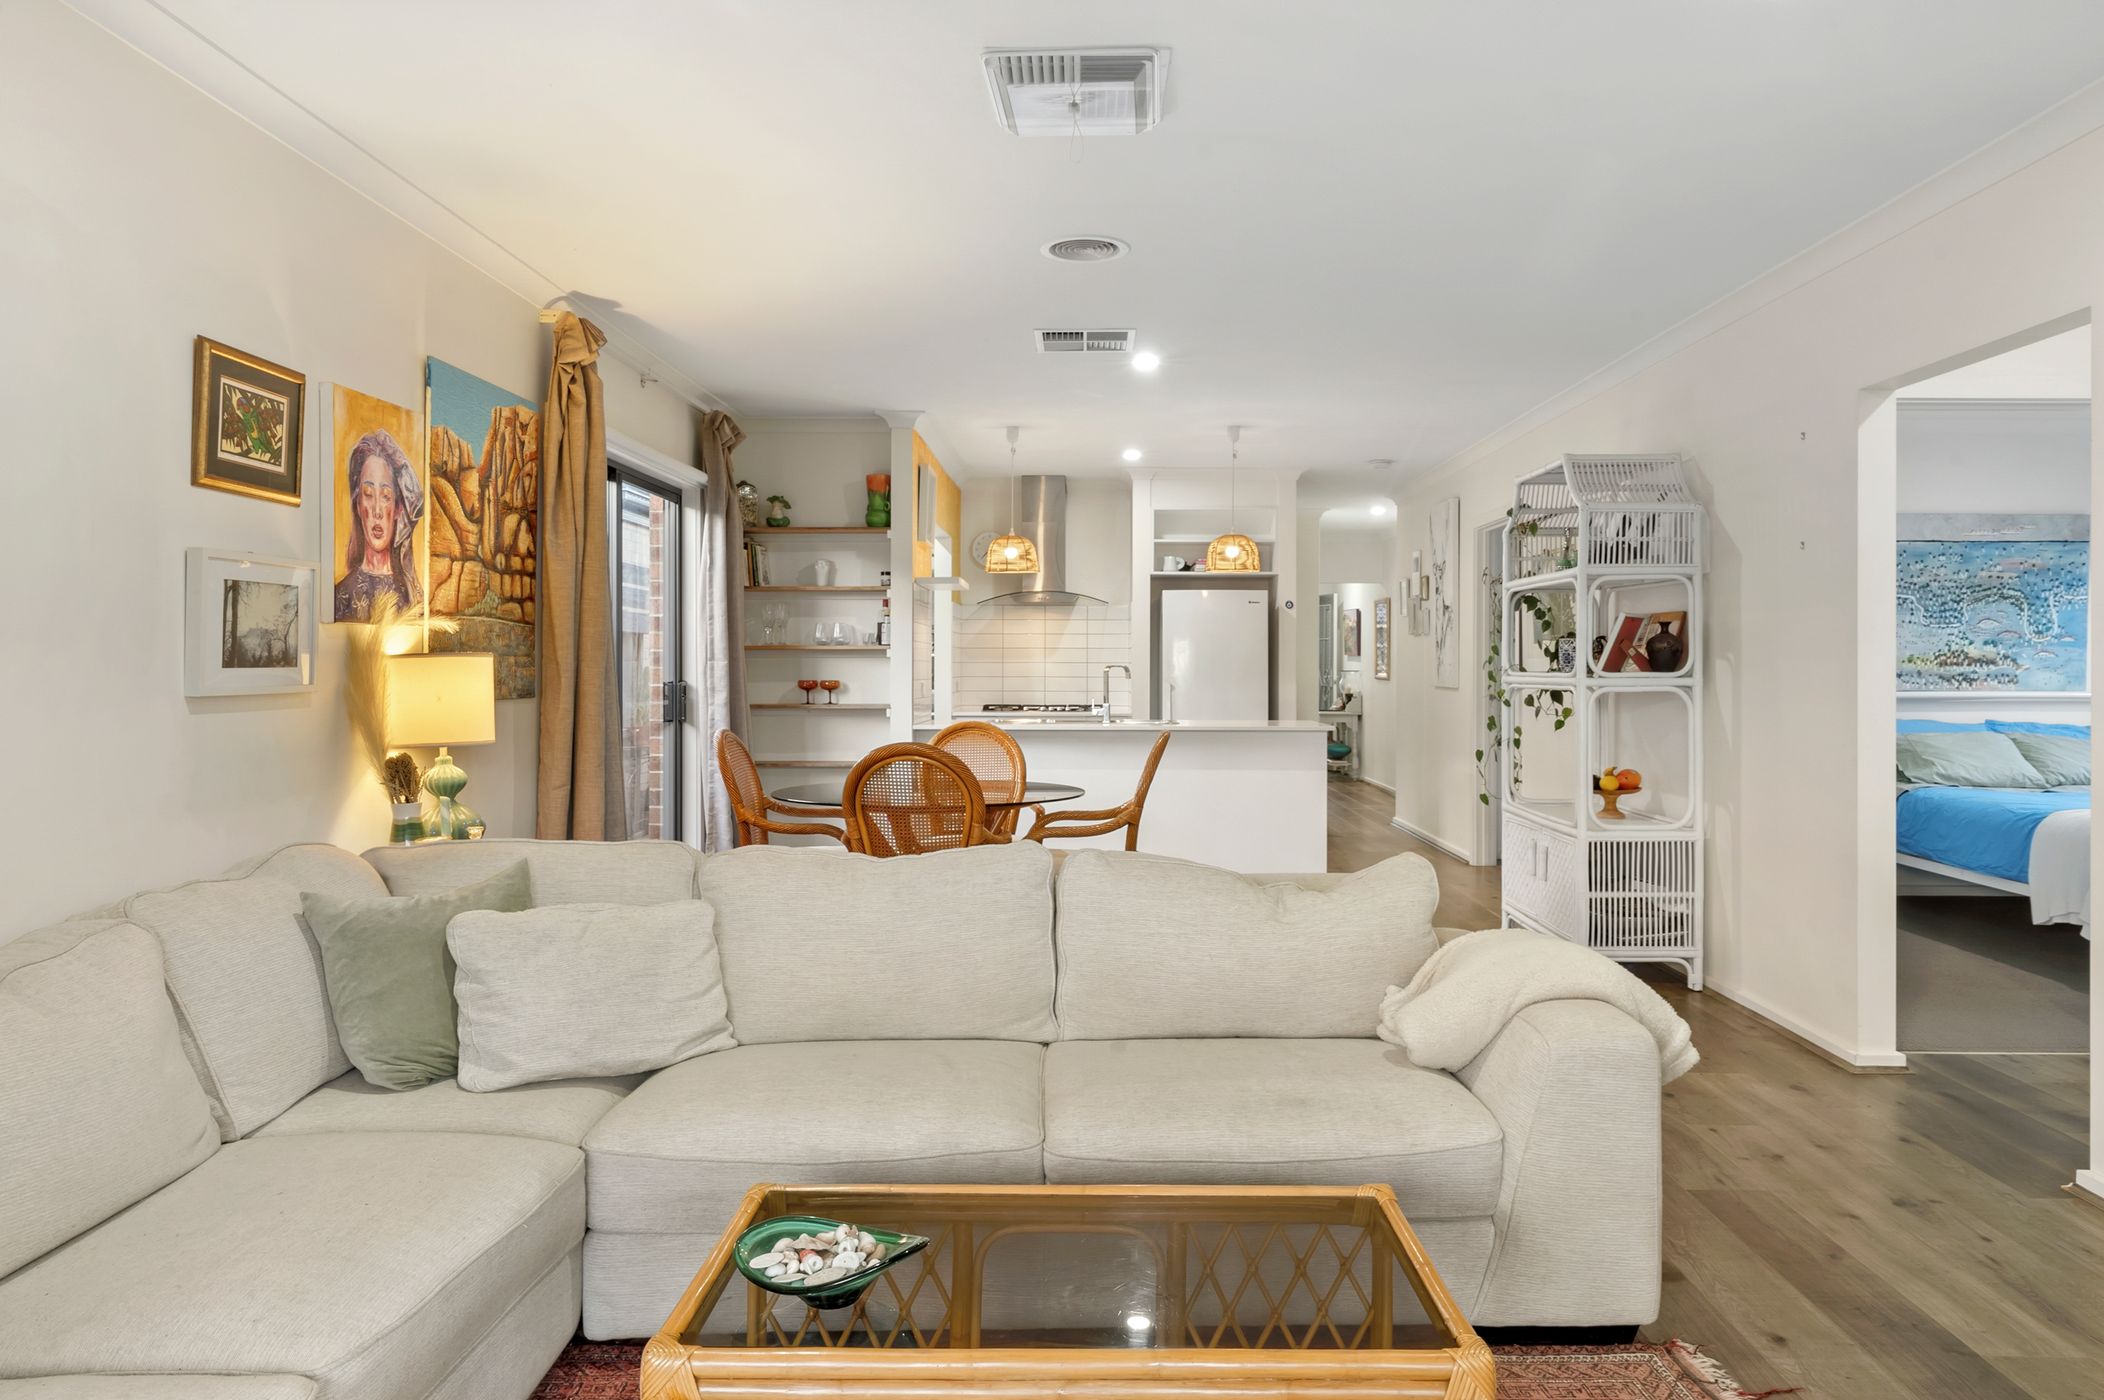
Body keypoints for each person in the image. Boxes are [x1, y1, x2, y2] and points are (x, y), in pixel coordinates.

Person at [333, 429, 424, 621]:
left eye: (386, 496)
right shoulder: (340, 595)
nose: (377, 511)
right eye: (368, 494)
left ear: (398, 508)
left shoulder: (412, 598)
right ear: (358, 505)